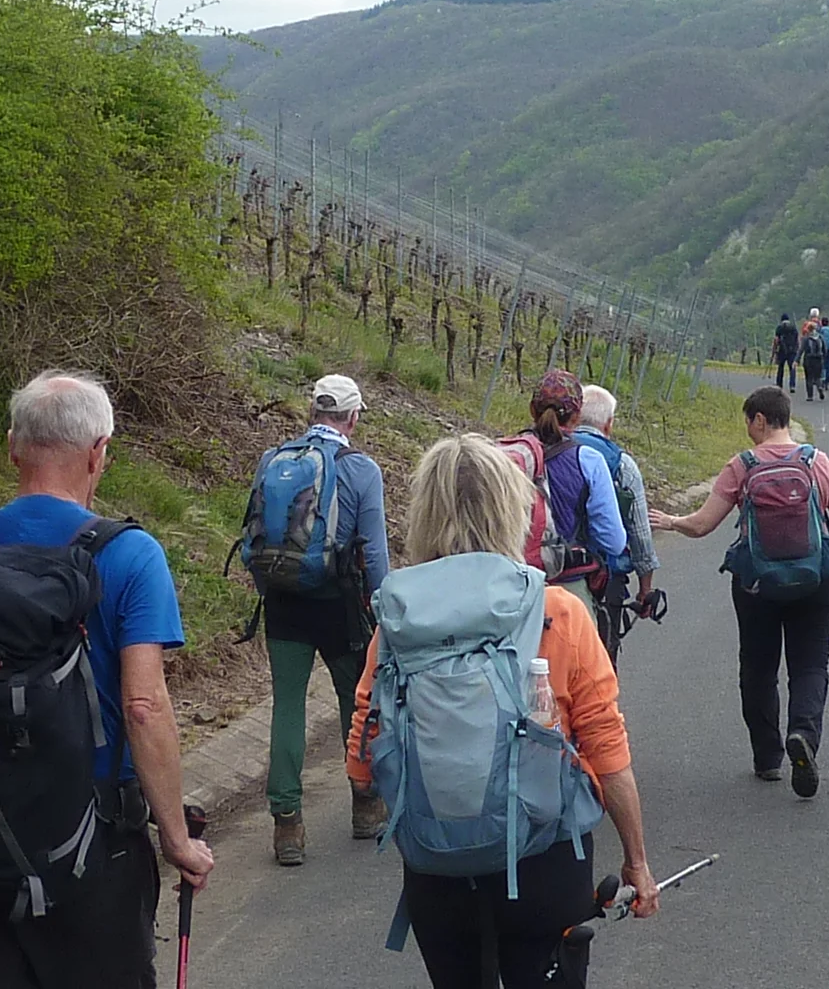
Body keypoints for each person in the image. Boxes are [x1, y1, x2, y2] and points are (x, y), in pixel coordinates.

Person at [0, 371, 213, 989]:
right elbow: (144, 706)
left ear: (13, 447)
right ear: (98, 453)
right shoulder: (130, 555)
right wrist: (176, 839)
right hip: (92, 847)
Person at [347, 435, 660, 988]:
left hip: (438, 872)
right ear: (515, 510)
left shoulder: (398, 622)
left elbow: (361, 766)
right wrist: (636, 859)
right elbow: (606, 751)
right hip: (545, 867)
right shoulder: (557, 610)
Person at [648, 387, 829, 798]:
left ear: (760, 419)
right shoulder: (817, 462)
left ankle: (768, 758)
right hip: (816, 581)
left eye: (748, 421)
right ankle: (803, 735)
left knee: (758, 668)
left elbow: (702, 524)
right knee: (811, 665)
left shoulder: (742, 466)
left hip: (757, 585)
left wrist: (670, 521)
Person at [256, 374, 391, 867]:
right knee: (357, 703)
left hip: (283, 601)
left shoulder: (272, 461)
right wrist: (383, 610)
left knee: (287, 707)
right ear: (352, 418)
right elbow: (375, 553)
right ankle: (365, 803)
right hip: (340, 605)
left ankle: (287, 824)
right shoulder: (361, 470)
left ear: (312, 412)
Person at [519, 368, 628, 609]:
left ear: (532, 409)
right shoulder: (589, 460)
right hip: (564, 583)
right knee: (584, 631)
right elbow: (613, 541)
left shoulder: (504, 454)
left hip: (510, 581)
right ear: (577, 417)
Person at [576, 384, 660, 662]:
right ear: (608, 424)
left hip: (550, 575)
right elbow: (640, 534)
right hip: (604, 580)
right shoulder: (622, 464)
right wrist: (645, 590)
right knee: (600, 662)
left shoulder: (549, 451)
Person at [799, 317, 829, 402]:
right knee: (818, 376)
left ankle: (810, 396)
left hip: (808, 359)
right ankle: (819, 387)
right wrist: (823, 357)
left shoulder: (806, 338)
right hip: (819, 359)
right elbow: (825, 349)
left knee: (809, 377)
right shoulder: (820, 337)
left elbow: (801, 350)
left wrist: (796, 360)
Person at [771, 313, 800, 391]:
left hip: (782, 350)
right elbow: (797, 339)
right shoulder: (793, 327)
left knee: (780, 368)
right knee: (792, 368)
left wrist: (774, 350)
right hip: (792, 350)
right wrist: (797, 349)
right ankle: (792, 385)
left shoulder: (779, 328)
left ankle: (779, 384)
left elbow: (776, 340)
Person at [813, 315, 829, 400]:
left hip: (823, 350)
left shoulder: (820, 330)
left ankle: (822, 381)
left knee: (822, 366)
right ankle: (827, 382)